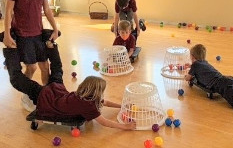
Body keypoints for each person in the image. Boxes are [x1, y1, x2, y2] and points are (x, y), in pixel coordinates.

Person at [2, 45, 136, 130]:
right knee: (18, 80)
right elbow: (105, 122)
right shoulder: (88, 106)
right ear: (95, 92)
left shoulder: (86, 96)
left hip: (57, 91)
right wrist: (125, 126)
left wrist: (122, 105)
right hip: (45, 97)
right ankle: (11, 52)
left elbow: (104, 102)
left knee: (57, 70)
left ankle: (52, 45)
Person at [3, 0, 59, 111]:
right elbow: (8, 12)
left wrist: (55, 28)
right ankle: (27, 95)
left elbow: (47, 10)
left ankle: (48, 97)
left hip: (38, 34)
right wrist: (7, 34)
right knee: (32, 68)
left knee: (44, 67)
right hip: (23, 35)